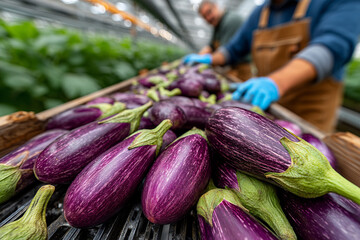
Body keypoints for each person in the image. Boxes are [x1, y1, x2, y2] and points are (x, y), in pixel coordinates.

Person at [184, 0, 360, 133]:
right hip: (268, 108)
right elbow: (233, 49)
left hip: (310, 115)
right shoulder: (260, 13)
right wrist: (209, 59)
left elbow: (332, 47)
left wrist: (275, 83)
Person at [195, 0, 252, 80]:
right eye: (205, 17)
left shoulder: (231, 20)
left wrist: (206, 60)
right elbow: (210, 47)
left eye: (209, 12)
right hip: (231, 69)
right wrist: (197, 57)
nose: (208, 18)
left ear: (216, 6)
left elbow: (225, 55)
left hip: (241, 70)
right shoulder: (217, 26)